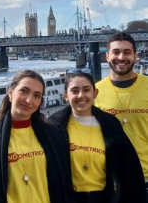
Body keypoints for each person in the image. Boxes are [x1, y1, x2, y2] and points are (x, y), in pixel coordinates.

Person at [47, 70, 146, 202]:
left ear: (95, 93)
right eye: (75, 91)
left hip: (104, 198)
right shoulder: (53, 126)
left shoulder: (111, 124)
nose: (81, 95)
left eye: (86, 90)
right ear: (66, 95)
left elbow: (128, 168)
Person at [0, 70, 75, 203]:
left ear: (40, 102)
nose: (29, 100)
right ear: (10, 93)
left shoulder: (55, 136)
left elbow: (64, 182)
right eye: (24, 91)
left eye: (36, 96)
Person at [94, 32, 148, 199]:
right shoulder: (94, 92)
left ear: (135, 56)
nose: (121, 57)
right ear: (107, 55)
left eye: (127, 52)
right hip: (111, 180)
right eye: (116, 52)